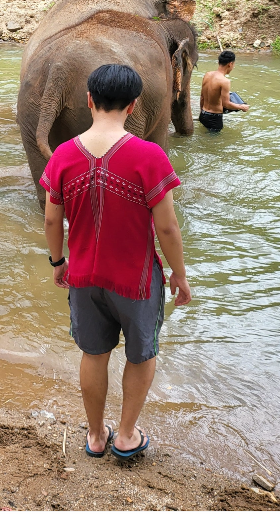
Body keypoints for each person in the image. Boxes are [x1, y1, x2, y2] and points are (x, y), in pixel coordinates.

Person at [40, 63, 192, 461]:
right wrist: (178, 273)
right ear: (134, 105)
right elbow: (167, 227)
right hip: (136, 280)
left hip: (83, 277)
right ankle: (125, 436)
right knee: (141, 354)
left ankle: (95, 436)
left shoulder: (63, 155)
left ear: (89, 100)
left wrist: (58, 261)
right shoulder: (150, 156)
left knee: (93, 354)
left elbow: (52, 219)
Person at [198, 50, 249, 132]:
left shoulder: (207, 75)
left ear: (219, 62)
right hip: (214, 118)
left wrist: (202, 112)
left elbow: (202, 97)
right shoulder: (225, 81)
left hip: (203, 114)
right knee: (214, 139)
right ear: (230, 64)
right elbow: (226, 104)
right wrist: (241, 107)